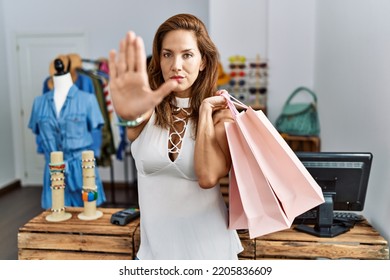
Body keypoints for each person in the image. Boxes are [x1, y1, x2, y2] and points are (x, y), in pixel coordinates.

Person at [108, 13, 243, 260]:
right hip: (153, 256)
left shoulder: (221, 116)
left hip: (210, 255)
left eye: (187, 55)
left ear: (203, 61)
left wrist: (203, 112)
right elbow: (132, 123)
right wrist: (128, 113)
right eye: (167, 54)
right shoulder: (148, 108)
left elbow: (207, 177)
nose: (176, 65)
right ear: (158, 59)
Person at [28, 58, 107, 209]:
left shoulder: (88, 100)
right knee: (56, 219)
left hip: (83, 170)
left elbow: (96, 133)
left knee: (89, 217)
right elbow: (38, 134)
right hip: (54, 171)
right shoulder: (39, 103)